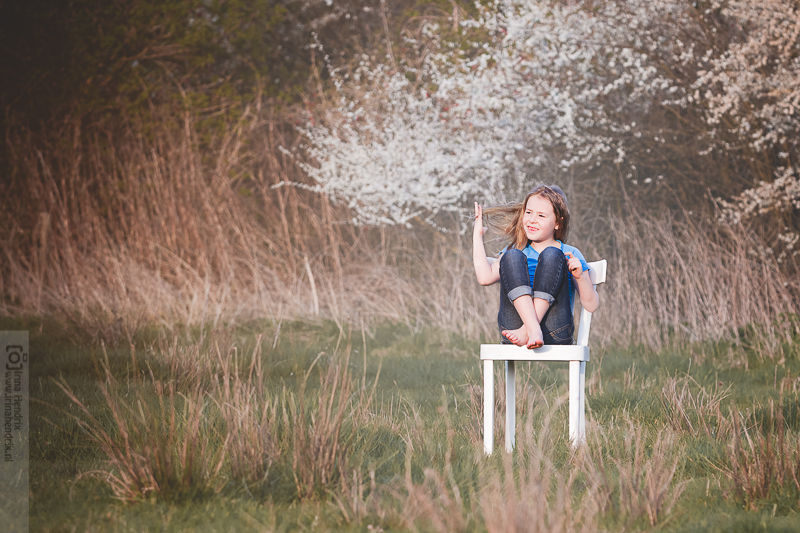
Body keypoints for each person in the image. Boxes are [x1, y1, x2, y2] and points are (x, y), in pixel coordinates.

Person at [473, 185, 600, 348]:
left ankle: (529, 330)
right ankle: (532, 329)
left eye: (541, 215)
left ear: (557, 223)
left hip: (555, 330)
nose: (532, 219)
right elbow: (484, 278)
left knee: (553, 254)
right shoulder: (515, 250)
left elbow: (591, 305)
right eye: (528, 212)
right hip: (514, 328)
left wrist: (580, 277)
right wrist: (477, 235)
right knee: (512, 255)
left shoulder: (570, 253)